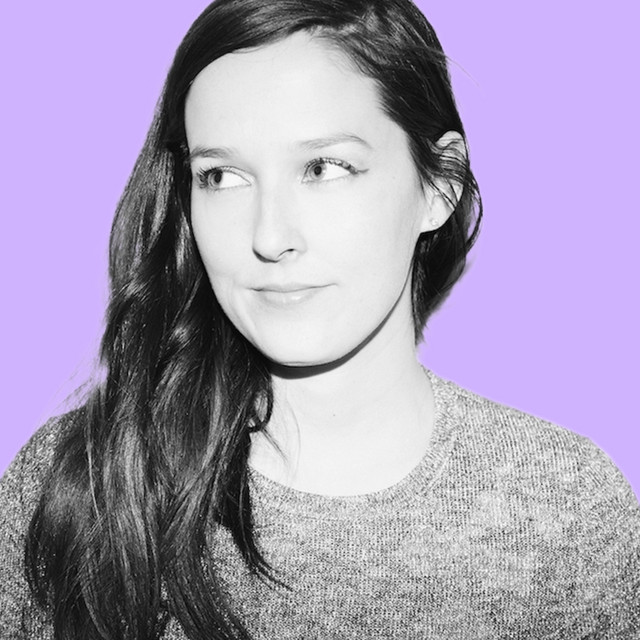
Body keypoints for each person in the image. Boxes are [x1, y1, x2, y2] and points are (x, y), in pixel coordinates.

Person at [1, 0, 638, 638]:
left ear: (440, 186)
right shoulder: (73, 486)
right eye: (221, 175)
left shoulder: (566, 513)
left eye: (324, 168)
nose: (270, 237)